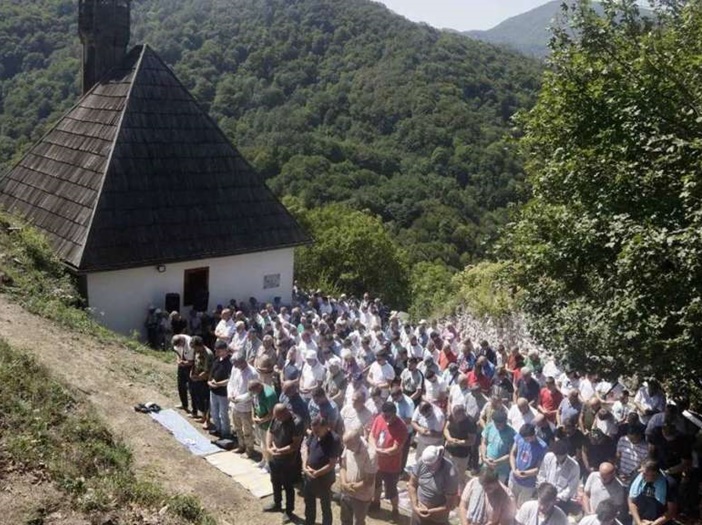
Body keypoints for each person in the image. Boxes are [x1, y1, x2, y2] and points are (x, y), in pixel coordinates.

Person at [264, 404, 304, 522]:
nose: (277, 420)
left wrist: (279, 451)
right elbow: (270, 431)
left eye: (279, 417)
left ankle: (289, 511)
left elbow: (295, 445)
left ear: (285, 413)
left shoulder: (297, 422)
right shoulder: (276, 417)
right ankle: (277, 503)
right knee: (275, 481)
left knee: (288, 485)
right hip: (275, 457)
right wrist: (268, 446)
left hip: (288, 460)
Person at [370, 401, 408, 517]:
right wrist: (374, 447)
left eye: (388, 416)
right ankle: (376, 503)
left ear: (394, 413)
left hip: (391, 465)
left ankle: (395, 509)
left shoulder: (401, 427)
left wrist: (381, 452)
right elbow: (372, 435)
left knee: (391, 490)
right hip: (377, 462)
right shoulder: (379, 418)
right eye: (384, 415)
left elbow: (396, 448)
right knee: (376, 484)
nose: (386, 418)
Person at [301, 416, 342, 525]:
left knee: (325, 505)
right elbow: (306, 448)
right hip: (309, 476)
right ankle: (309, 522)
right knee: (309, 502)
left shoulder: (334, 439)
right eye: (313, 431)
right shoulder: (313, 434)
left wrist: (316, 473)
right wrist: (305, 466)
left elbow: (332, 463)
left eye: (317, 431)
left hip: (324, 479)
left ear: (326, 427)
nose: (315, 433)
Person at [409, 446, 459, 525]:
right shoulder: (422, 462)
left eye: (431, 465)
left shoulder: (450, 474)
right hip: (418, 512)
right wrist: (415, 505)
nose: (428, 467)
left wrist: (430, 512)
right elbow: (412, 484)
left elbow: (451, 504)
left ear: (439, 458)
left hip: (437, 519)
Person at [340, 428, 378, 525]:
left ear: (357, 442)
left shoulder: (371, 454)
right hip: (347, 492)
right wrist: (344, 484)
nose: (346, 448)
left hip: (361, 496)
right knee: (345, 519)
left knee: (358, 522)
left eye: (348, 446)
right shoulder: (349, 445)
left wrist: (351, 488)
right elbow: (343, 466)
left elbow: (369, 481)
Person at [536, 440, 581, 515]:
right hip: (544, 494)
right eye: (556, 454)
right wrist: (543, 490)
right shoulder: (549, 457)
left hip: (560, 501)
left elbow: (571, 488)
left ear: (566, 454)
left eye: (560, 455)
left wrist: (557, 498)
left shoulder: (574, 466)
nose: (557, 457)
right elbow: (542, 474)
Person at [509, 423, 548, 506]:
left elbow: (539, 469)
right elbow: (512, 453)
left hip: (528, 484)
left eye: (527, 439)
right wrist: (513, 469)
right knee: (510, 503)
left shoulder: (542, 447)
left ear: (533, 435)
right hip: (514, 478)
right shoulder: (519, 437)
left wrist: (524, 473)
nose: (525, 440)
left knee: (521, 506)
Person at [227, 352, 259, 456]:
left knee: (247, 430)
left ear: (243, 362)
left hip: (245, 406)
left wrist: (239, 399)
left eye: (237, 364)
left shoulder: (252, 373)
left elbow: (252, 392)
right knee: (237, 427)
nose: (235, 367)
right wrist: (229, 393)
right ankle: (241, 446)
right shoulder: (235, 368)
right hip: (234, 404)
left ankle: (249, 450)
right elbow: (231, 382)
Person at [628, 460, 678, 525]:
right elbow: (631, 502)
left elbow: (671, 511)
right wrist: (639, 522)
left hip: (659, 522)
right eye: (642, 472)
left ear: (655, 474)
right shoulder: (637, 477)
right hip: (639, 520)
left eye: (645, 474)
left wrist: (654, 524)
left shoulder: (669, 484)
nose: (641, 476)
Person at [444, 403, 477, 488]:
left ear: (463, 414)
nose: (455, 418)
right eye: (454, 415)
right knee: (446, 472)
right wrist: (449, 438)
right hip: (449, 450)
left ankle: (459, 494)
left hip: (461, 454)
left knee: (459, 477)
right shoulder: (452, 416)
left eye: (457, 416)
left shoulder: (470, 422)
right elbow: (446, 428)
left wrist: (458, 442)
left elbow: (472, 441)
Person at [249, 379, 278, 470]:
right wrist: (253, 416)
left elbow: (272, 413)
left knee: (267, 445)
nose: (253, 393)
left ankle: (269, 465)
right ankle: (263, 460)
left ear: (259, 386)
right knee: (261, 443)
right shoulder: (255, 392)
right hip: (259, 422)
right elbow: (253, 403)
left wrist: (261, 420)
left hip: (268, 424)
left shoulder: (269, 395)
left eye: (254, 391)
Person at [481, 411, 516, 483]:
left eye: (500, 424)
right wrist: (484, 458)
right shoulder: (490, 426)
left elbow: (510, 454)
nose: (498, 426)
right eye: (496, 424)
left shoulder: (511, 433)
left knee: (497, 489)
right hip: (487, 464)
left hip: (501, 469)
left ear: (505, 422)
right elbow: (484, 443)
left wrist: (496, 462)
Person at [208, 340, 232, 438]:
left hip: (223, 393)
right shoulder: (217, 359)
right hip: (213, 391)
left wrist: (218, 384)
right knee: (214, 412)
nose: (217, 352)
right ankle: (218, 429)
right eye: (216, 350)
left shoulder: (230, 362)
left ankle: (225, 433)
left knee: (223, 414)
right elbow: (212, 373)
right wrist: (210, 381)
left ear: (225, 350)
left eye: (219, 350)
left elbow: (230, 379)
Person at [189, 336, 213, 425]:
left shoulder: (208, 354)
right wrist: (192, 372)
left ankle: (207, 420)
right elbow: (195, 363)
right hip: (197, 378)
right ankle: (203, 416)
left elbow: (207, 371)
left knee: (206, 400)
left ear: (200, 345)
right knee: (199, 399)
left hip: (205, 380)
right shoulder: (197, 351)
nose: (194, 349)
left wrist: (198, 377)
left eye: (195, 347)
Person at [172, 334, 193, 413]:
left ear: (182, 341)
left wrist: (185, 363)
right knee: (180, 384)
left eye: (179, 345)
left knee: (191, 386)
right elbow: (177, 353)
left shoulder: (190, 344)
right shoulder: (177, 342)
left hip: (190, 366)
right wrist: (178, 361)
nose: (178, 346)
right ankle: (184, 404)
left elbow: (192, 361)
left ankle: (195, 408)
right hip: (182, 364)